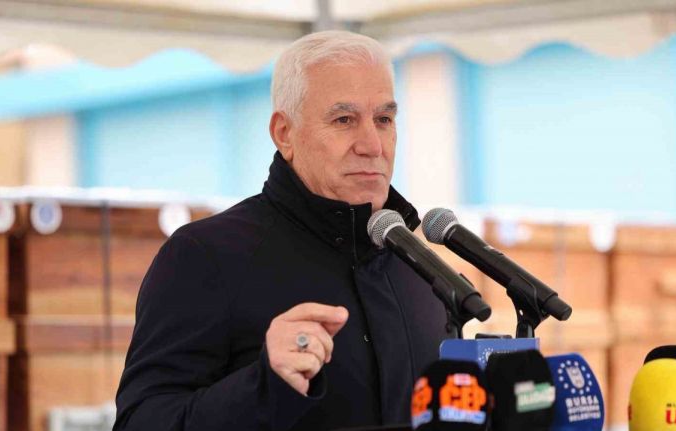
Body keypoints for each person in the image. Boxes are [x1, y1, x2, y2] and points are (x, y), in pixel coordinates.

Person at [114, 30, 451, 431]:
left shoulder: (416, 266)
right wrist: (264, 385)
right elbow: (141, 421)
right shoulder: (205, 255)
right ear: (284, 133)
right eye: (344, 120)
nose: (372, 145)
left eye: (383, 120)